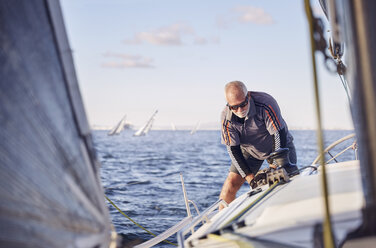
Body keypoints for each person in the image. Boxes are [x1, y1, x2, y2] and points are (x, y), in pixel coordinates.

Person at [219, 81, 297, 209]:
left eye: (243, 105)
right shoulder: (226, 118)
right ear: (228, 105)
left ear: (248, 96)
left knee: (285, 182)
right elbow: (233, 151)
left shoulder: (266, 103)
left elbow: (278, 134)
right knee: (231, 184)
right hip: (250, 151)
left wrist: (274, 167)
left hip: (279, 146)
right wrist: (251, 180)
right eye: (234, 107)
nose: (239, 110)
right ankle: (219, 223)